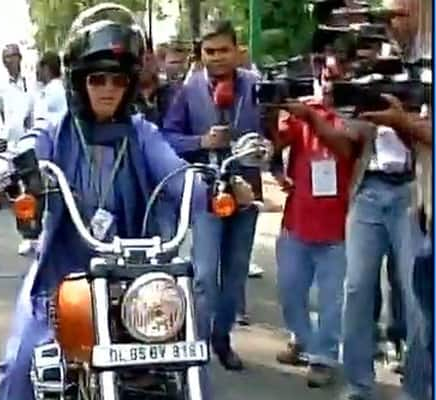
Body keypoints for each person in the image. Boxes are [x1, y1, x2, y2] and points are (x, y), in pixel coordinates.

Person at [0, 6, 231, 400]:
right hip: (62, 277)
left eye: (118, 79)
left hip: (135, 276)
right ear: (78, 82)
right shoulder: (58, 130)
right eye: (97, 78)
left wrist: (214, 186)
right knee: (20, 367)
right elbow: (28, 151)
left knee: (190, 364)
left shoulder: (142, 133)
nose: (108, 88)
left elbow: (177, 172)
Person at [162, 19, 266, 370]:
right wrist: (201, 142)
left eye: (224, 50)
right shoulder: (188, 90)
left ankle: (222, 339)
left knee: (235, 273)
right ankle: (200, 340)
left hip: (246, 192)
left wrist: (268, 148)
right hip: (206, 191)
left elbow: (277, 132)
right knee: (205, 274)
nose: (217, 58)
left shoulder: (256, 87)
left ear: (237, 51)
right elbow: (168, 138)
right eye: (210, 51)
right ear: (200, 53)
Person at [341, 0, 432, 398]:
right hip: (368, 188)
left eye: (398, 14)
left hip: (412, 191)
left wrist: (403, 121)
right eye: (386, 16)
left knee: (416, 298)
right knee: (358, 289)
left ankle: (416, 388)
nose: (391, 23)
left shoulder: (426, 65)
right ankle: (359, 384)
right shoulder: (370, 57)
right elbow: (349, 134)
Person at [271, 56, 356, 387]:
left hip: (338, 228)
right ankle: (303, 340)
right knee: (290, 291)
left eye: (336, 75)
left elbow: (344, 147)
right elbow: (278, 142)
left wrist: (310, 117)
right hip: (297, 221)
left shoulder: (357, 116)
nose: (329, 80)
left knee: (332, 300)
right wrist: (275, 111)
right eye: (325, 74)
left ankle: (322, 357)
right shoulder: (307, 109)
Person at [0, 43, 35, 256]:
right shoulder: (1, 88)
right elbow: (3, 116)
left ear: (20, 58)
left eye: (13, 56)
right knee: (18, 194)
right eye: (6, 57)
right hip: (12, 148)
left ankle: (37, 233)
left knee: (35, 190)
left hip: (32, 145)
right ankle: (26, 235)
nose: (10, 61)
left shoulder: (32, 82)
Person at [34, 51, 67, 122]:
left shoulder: (52, 91)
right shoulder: (59, 87)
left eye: (38, 67)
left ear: (46, 68)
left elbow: (40, 121)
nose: (36, 71)